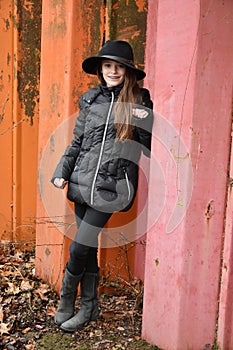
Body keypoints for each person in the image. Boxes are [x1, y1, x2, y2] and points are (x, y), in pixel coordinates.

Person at [51, 39, 153, 332]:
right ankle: (90, 306)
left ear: (127, 71)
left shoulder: (139, 101)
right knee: (89, 247)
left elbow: (147, 149)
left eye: (118, 66)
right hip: (82, 183)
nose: (112, 71)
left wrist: (144, 121)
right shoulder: (90, 99)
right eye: (107, 66)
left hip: (111, 188)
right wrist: (62, 171)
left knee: (79, 247)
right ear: (101, 69)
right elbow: (77, 143)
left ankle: (67, 298)